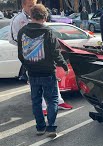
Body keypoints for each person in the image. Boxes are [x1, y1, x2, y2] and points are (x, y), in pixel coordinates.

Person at [9, 0, 73, 115]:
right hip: (31, 58)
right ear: (23, 5)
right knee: (37, 86)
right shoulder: (18, 19)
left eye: (34, 4)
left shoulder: (39, 14)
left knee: (53, 79)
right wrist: (29, 46)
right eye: (30, 6)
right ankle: (43, 106)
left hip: (45, 55)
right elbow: (13, 38)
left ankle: (59, 101)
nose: (33, 7)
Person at [17, 4, 69, 138]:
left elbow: (20, 55)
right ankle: (51, 127)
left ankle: (40, 127)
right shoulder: (48, 32)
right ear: (44, 16)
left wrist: (28, 67)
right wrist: (64, 65)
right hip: (48, 72)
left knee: (36, 101)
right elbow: (55, 53)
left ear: (31, 16)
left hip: (33, 73)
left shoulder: (22, 31)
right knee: (52, 100)